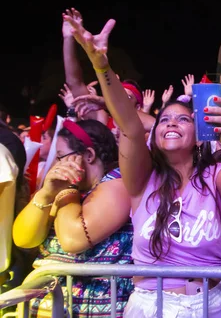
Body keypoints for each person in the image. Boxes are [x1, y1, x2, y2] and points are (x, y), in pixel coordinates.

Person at [64, 12, 221, 317]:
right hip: (152, 306)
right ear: (153, 135)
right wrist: (101, 64)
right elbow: (128, 122)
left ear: (198, 137)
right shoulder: (142, 179)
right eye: (165, 119)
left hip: (212, 304)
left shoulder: (215, 174)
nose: (171, 123)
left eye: (183, 119)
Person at [12, 119, 133, 317]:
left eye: (61, 157)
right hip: (51, 306)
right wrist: (45, 193)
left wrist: (67, 189)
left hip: (92, 307)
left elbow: (72, 240)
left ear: (89, 155)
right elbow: (24, 239)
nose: (56, 164)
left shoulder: (117, 184)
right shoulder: (64, 192)